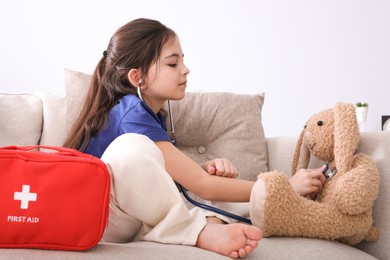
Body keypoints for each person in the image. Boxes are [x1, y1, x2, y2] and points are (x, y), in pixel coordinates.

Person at [63, 18, 325, 258]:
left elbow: (181, 180)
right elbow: (201, 185)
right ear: (137, 77)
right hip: (102, 218)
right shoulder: (131, 114)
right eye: (172, 63)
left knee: (214, 192)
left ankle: (230, 216)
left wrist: (199, 170)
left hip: (128, 217)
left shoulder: (153, 115)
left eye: (183, 61)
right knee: (132, 149)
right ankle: (201, 230)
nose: (185, 70)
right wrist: (284, 186)